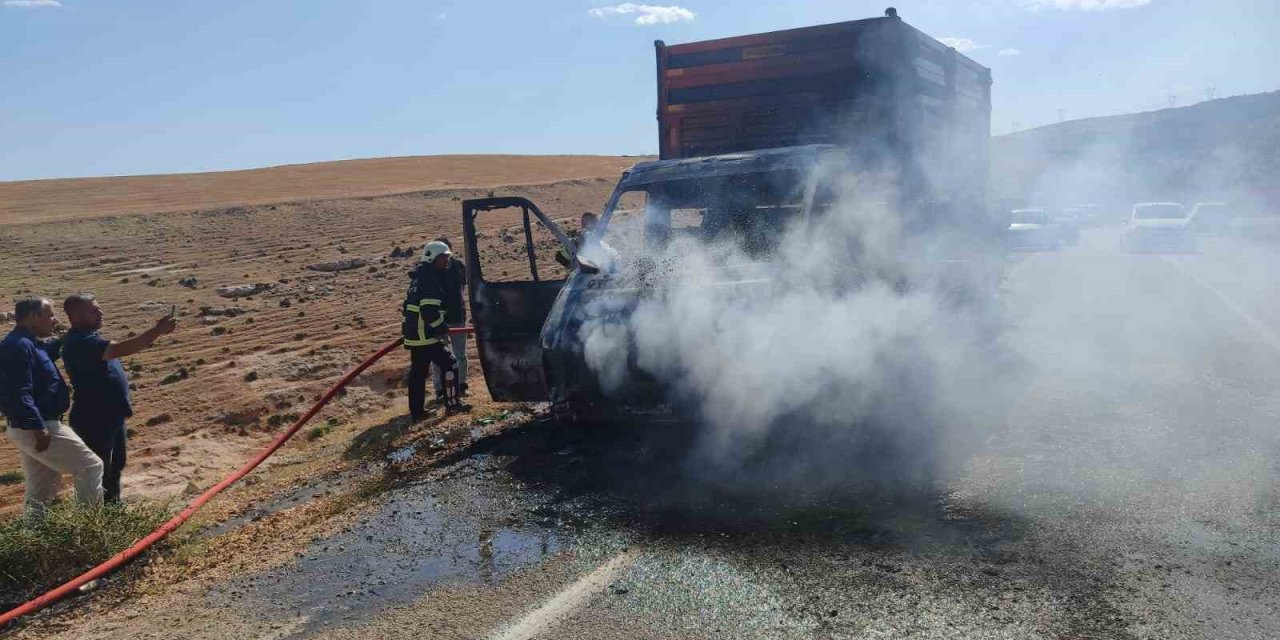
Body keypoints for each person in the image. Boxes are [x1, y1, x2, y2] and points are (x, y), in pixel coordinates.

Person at [61, 293, 176, 503]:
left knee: (113, 467)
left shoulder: (89, 338)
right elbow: (120, 349)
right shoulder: (80, 342)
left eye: (99, 308)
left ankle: (112, 511)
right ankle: (93, 517)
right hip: (94, 419)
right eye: (93, 310)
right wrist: (157, 331)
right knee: (97, 472)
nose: (101, 313)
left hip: (110, 417)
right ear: (76, 317)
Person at [0, 298, 103, 513]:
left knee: (41, 489)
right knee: (90, 466)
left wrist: (64, 338)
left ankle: (34, 533)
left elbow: (45, 354)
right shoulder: (17, 346)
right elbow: (18, 392)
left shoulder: (27, 343)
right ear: (33, 316)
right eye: (50, 315)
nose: (54, 320)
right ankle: (90, 526)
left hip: (31, 425)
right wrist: (39, 428)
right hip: (39, 425)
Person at [403, 241, 472, 419]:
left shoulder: (421, 276)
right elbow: (429, 311)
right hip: (425, 335)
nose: (447, 261)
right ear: (432, 258)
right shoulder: (430, 279)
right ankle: (453, 404)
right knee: (450, 363)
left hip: (415, 334)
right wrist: (442, 328)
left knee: (418, 373)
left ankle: (417, 413)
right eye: (443, 258)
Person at [430, 237, 469, 402]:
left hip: (458, 315)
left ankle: (461, 385)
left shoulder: (459, 266)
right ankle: (440, 389)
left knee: (460, 354)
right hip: (439, 319)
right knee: (439, 356)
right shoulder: (433, 269)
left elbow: (463, 287)